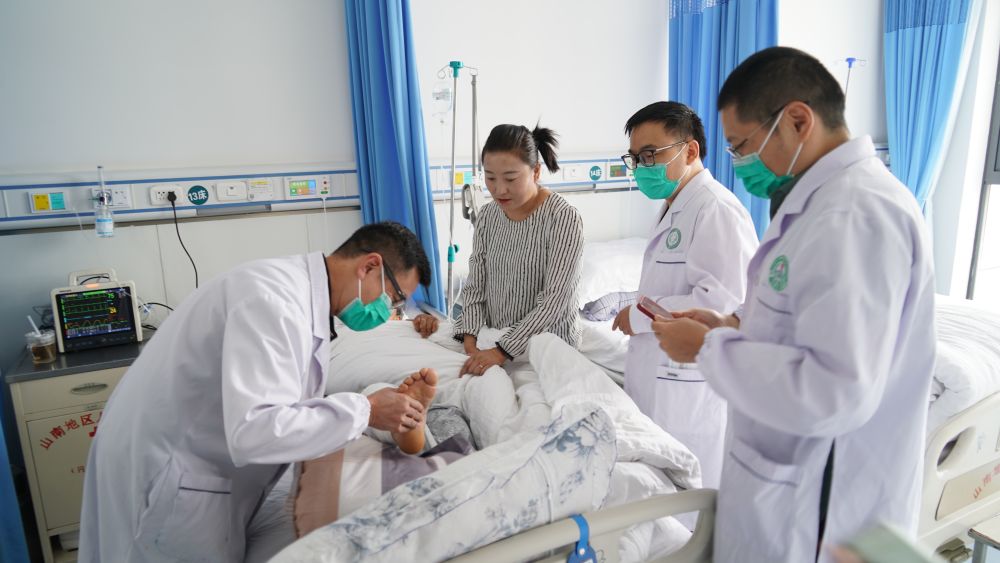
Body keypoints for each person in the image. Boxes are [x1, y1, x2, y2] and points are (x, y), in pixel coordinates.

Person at [651, 47, 936, 562]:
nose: (740, 163)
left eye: (742, 145)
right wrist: (732, 322)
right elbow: (800, 314)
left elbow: (836, 391)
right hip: (785, 489)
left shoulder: (855, 215)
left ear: (798, 120)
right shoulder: (820, 203)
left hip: (816, 513)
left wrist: (710, 349)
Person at [79, 222, 439, 563]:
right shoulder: (272, 301)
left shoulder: (293, 294)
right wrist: (367, 410)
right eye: (393, 298)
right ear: (369, 266)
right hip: (167, 472)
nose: (388, 312)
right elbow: (255, 430)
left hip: (182, 456)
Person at [613, 101, 758, 489]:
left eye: (650, 155)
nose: (641, 167)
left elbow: (724, 302)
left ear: (690, 151)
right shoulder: (675, 206)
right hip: (661, 376)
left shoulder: (716, 209)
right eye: (635, 158)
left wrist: (638, 315)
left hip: (690, 387)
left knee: (691, 492)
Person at [453, 124, 584, 376]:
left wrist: (502, 351)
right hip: (492, 338)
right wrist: (470, 340)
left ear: (536, 171)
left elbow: (555, 300)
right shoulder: (488, 216)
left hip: (547, 344)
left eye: (511, 179)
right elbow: (476, 285)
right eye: (490, 178)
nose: (499, 189)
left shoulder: (563, 218)